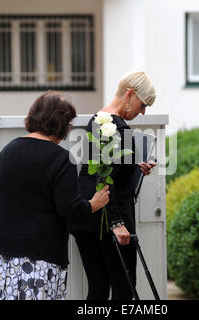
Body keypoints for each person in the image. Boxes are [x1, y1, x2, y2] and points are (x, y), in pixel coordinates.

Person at [0, 92, 110, 300]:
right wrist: (95, 203)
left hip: (3, 258)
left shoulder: (7, 152)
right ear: (62, 125)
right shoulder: (60, 159)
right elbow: (70, 209)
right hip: (41, 260)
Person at [70, 71, 157, 300]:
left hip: (87, 217)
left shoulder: (97, 120)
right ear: (129, 94)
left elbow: (100, 170)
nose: (142, 112)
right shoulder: (118, 128)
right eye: (143, 104)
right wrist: (117, 223)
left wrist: (133, 167)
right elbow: (105, 179)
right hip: (111, 221)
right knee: (124, 289)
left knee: (97, 289)